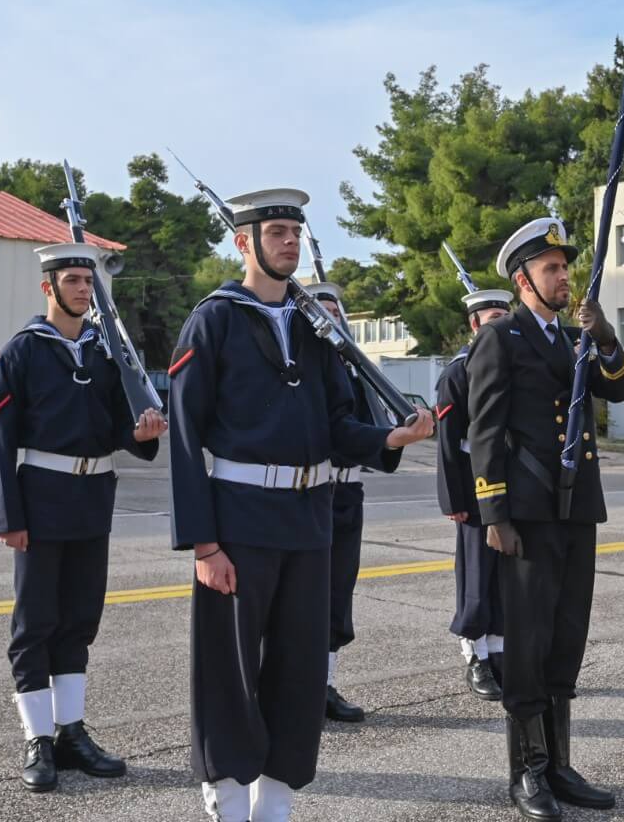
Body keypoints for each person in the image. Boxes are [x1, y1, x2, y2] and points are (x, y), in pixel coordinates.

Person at [167, 189, 433, 822]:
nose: (289, 241)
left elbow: (340, 423)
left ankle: (276, 801)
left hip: (311, 518)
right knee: (230, 668)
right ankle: (229, 796)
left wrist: (388, 438)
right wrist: (204, 543)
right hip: (238, 518)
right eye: (277, 231)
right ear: (244, 243)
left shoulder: (318, 328)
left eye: (294, 231)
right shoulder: (214, 319)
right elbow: (183, 437)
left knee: (299, 667)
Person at [468, 217, 624, 820]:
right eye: (551, 269)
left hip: (575, 508)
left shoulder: (574, 339)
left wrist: (607, 336)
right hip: (530, 512)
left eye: (565, 267)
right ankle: (528, 770)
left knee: (567, 638)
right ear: (523, 280)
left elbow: (617, 390)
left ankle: (560, 764)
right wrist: (494, 511)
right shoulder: (502, 338)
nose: (564, 277)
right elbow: (483, 429)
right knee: (531, 642)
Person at [0, 243, 166, 792]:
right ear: (49, 288)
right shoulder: (22, 351)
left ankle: (72, 733)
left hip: (93, 497)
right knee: (36, 622)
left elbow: (116, 426)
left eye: (88, 282)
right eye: (72, 281)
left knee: (79, 620)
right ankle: (37, 740)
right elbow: (0, 439)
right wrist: (8, 516)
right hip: (40, 496)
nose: (83, 290)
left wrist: (139, 435)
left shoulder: (102, 354)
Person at [300, 281, 403, 722]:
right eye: (320, 312)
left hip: (349, 490)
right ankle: (296, 686)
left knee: (338, 593)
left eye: (335, 312)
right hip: (313, 490)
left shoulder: (356, 372)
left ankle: (324, 685)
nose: (330, 319)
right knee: (303, 595)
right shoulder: (304, 372)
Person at [435, 288, 515, 700]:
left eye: (504, 315)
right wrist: (453, 499)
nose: (498, 322)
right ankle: (474, 654)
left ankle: (499, 651)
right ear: (474, 324)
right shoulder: (458, 373)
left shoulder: (516, 364)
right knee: (477, 574)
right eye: (491, 317)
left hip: (512, 480)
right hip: (471, 480)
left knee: (505, 573)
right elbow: (448, 443)